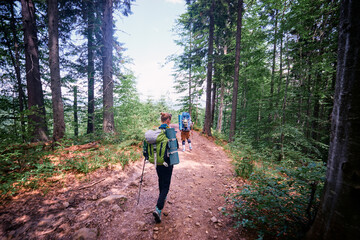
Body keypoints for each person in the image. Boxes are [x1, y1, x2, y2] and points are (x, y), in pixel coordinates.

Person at [143, 112, 174, 223]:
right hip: (168, 162)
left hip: (157, 162)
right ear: (168, 120)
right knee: (166, 185)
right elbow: (176, 147)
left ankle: (162, 197)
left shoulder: (154, 132)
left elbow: (145, 148)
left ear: (161, 120)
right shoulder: (169, 132)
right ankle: (158, 208)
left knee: (161, 180)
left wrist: (146, 156)